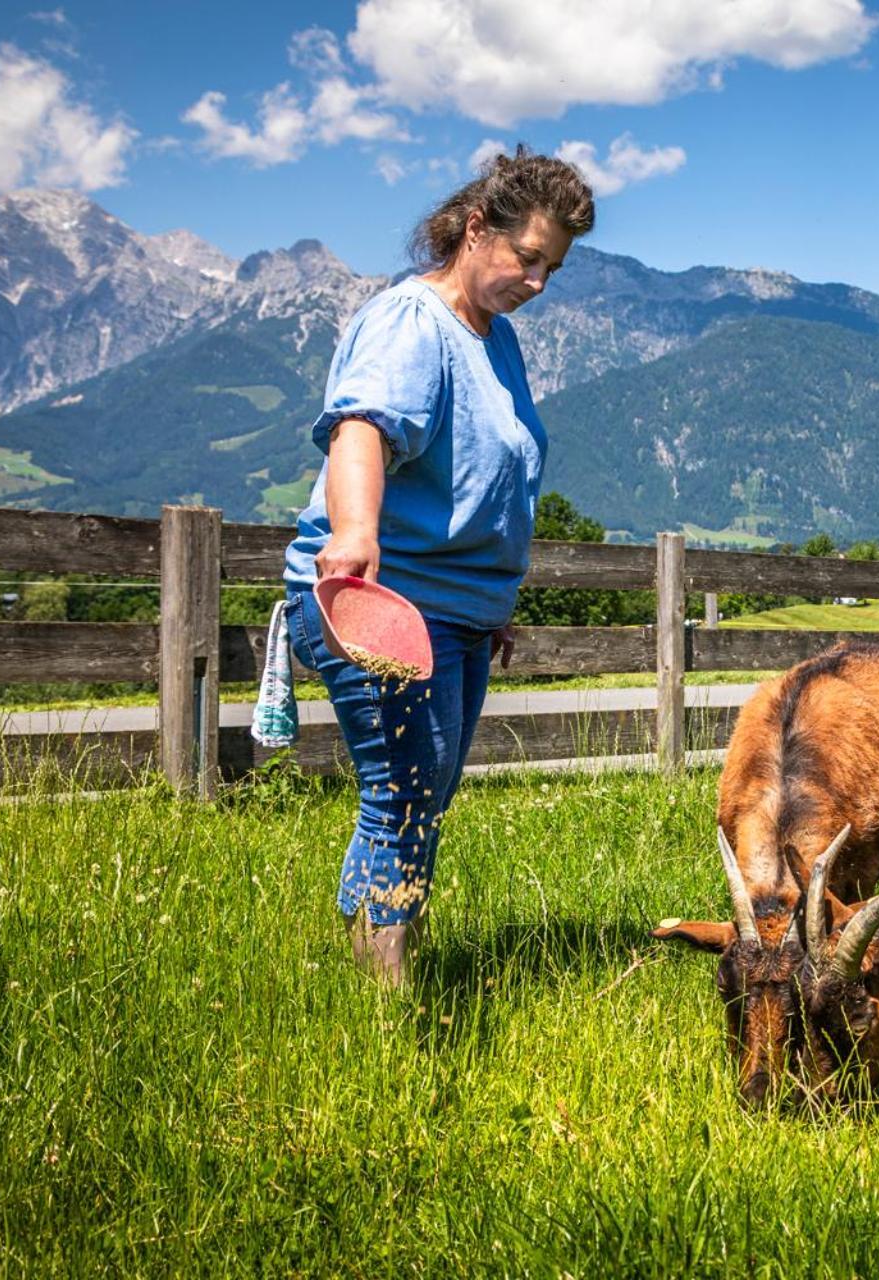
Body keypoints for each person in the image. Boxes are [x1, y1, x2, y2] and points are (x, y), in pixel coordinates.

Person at [282, 146, 595, 984]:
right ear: (473, 228)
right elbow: (360, 429)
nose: (537, 281)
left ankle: (368, 962)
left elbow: (484, 483)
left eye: (552, 269)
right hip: (384, 599)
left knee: (422, 797)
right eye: (527, 257)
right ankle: (388, 995)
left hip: (455, 613)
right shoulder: (412, 322)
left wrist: (489, 602)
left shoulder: (495, 342)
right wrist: (352, 538)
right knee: (405, 799)